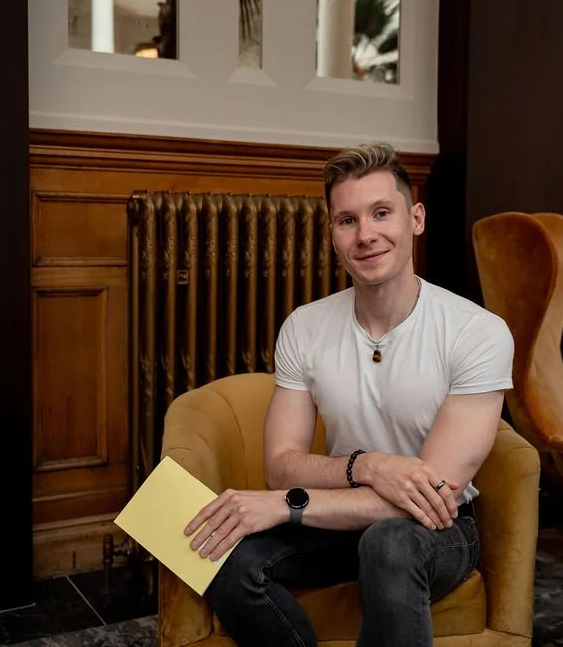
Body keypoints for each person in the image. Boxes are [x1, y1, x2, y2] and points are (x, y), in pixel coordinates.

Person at [183, 142, 515, 647]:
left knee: (389, 543)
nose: (366, 235)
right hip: (337, 513)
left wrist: (286, 506)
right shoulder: (304, 326)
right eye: (347, 220)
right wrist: (367, 465)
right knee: (220, 559)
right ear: (333, 235)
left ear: (416, 218)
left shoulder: (479, 332)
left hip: (439, 533)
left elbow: (430, 502)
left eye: (382, 213)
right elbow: (281, 464)